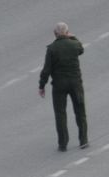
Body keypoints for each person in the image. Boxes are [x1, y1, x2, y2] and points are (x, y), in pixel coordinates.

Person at [37, 22, 86, 152]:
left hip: (59, 85)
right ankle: (83, 140)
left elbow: (46, 70)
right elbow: (81, 49)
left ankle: (63, 143)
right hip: (76, 84)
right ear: (67, 32)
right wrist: (73, 37)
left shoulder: (52, 49)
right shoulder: (74, 44)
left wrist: (42, 85)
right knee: (80, 111)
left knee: (60, 114)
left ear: (55, 34)